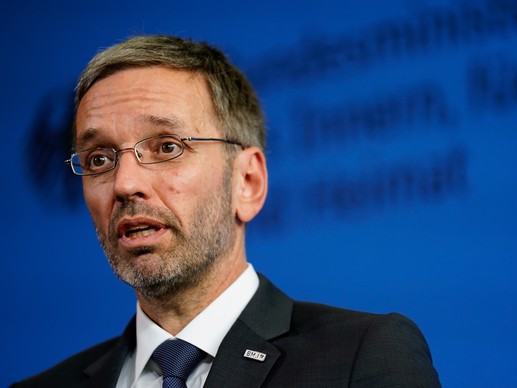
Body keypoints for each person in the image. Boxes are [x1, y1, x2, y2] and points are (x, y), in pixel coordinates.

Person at [13, 35, 441, 387]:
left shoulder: (359, 356)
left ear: (247, 182)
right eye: (100, 159)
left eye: (167, 147)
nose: (125, 184)